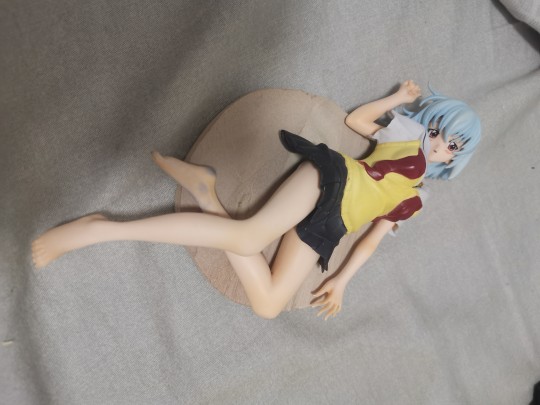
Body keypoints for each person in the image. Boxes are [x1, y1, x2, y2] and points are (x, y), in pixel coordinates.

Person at [31, 80, 481, 320]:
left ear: (455, 159)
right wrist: (398, 98)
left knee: (268, 305)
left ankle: (206, 194)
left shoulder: (416, 199)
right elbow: (356, 121)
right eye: (439, 131)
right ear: (428, 123)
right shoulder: (406, 135)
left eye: (452, 146)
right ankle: (102, 229)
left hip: (330, 227)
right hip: (333, 180)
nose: (439, 144)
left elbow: (371, 241)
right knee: (248, 238)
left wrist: (342, 281)